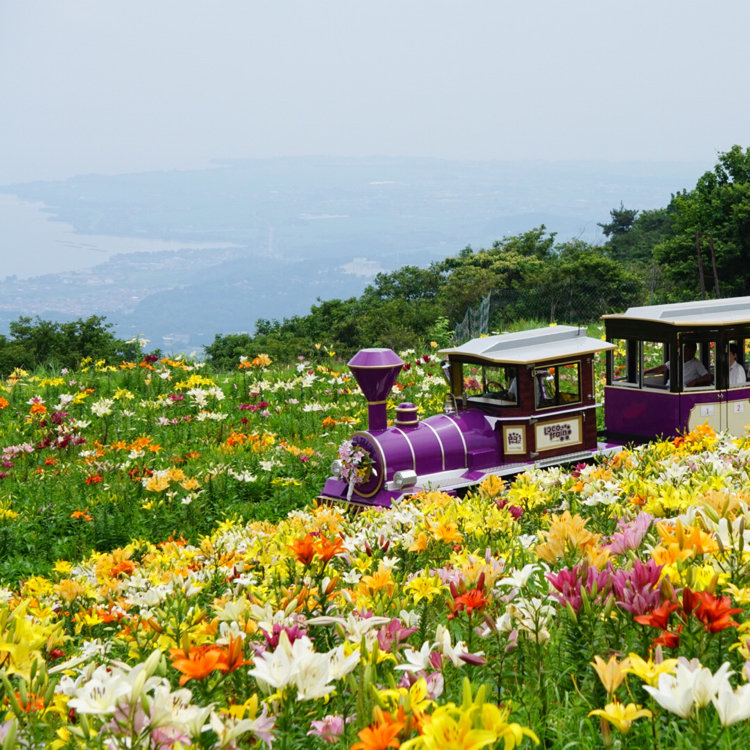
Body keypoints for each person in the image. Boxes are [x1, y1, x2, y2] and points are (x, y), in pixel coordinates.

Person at [646, 341, 713, 388]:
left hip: (683, 390)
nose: (688, 353)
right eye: (686, 350)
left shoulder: (696, 363)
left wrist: (694, 381)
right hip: (669, 387)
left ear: (694, 352)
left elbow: (708, 377)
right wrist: (646, 372)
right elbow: (663, 367)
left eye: (690, 351)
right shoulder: (676, 360)